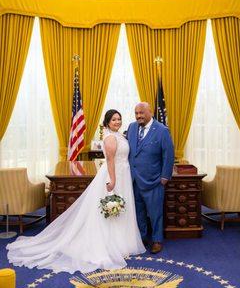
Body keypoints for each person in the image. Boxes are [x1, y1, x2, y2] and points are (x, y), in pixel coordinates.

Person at [7, 110, 145, 274]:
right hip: (114, 175)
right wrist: (113, 180)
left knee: (122, 209)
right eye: (114, 119)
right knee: (111, 209)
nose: (117, 121)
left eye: (119, 119)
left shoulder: (120, 135)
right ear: (107, 122)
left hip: (124, 174)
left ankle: (122, 243)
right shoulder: (110, 138)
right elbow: (110, 160)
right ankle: (110, 243)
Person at [127, 102, 174, 254]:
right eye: (136, 113)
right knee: (139, 212)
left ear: (150, 112)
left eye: (141, 112)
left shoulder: (162, 130)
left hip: (154, 181)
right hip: (134, 180)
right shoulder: (132, 127)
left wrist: (165, 176)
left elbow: (168, 155)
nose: (139, 116)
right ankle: (141, 238)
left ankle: (157, 240)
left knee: (155, 213)